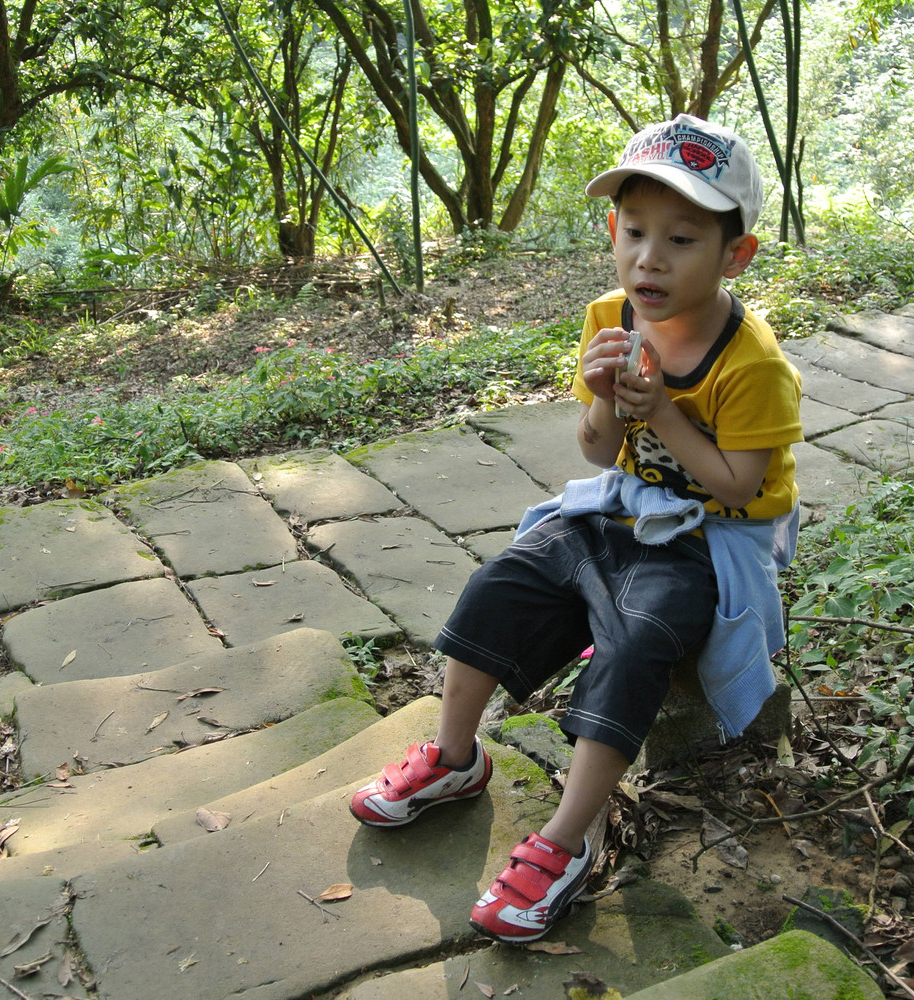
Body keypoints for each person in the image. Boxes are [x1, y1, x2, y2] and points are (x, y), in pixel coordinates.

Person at [349, 114, 803, 944]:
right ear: (612, 232)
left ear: (735, 255)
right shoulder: (611, 318)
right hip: (620, 507)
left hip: (708, 537)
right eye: (634, 232)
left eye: (681, 240)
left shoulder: (754, 365)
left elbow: (740, 485)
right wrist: (604, 399)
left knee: (635, 641)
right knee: (500, 583)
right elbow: (597, 449)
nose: (649, 259)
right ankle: (455, 757)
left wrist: (663, 412)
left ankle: (568, 838)